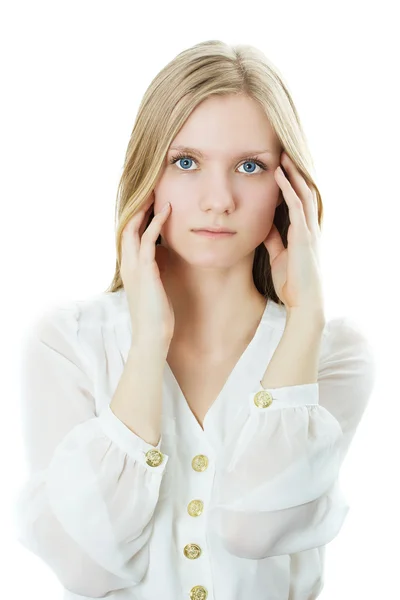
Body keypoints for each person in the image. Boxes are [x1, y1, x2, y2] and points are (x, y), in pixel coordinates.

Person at [13, 40, 376, 600]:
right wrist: (147, 344)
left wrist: (305, 319)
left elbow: (256, 529)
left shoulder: (332, 352)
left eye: (249, 167)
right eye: (186, 163)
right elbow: (86, 569)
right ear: (148, 173)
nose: (218, 199)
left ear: (289, 191)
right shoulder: (69, 344)